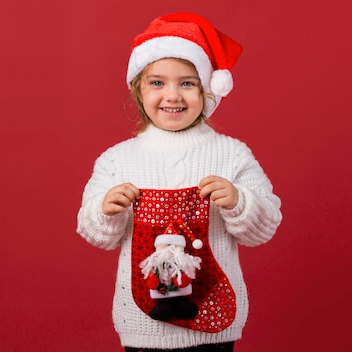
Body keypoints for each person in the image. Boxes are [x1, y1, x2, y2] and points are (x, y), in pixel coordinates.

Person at [77, 12, 282, 352]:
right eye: (157, 82)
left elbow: (266, 226)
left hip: (216, 325)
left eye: (187, 83)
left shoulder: (231, 154)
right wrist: (105, 210)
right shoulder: (117, 160)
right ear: (137, 90)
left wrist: (239, 201)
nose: (172, 95)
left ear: (206, 90)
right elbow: (93, 231)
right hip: (143, 326)